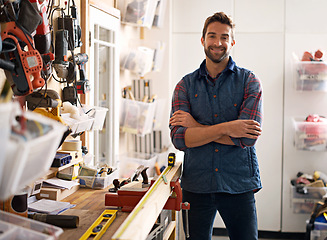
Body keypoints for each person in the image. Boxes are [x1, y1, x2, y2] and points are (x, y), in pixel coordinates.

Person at [169, 12, 263, 240]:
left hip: (238, 183)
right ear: (203, 40)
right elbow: (180, 140)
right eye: (212, 36)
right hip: (197, 184)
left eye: (224, 37)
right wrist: (228, 128)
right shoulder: (185, 85)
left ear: (232, 42)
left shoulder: (250, 82)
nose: (218, 43)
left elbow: (246, 139)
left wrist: (196, 127)